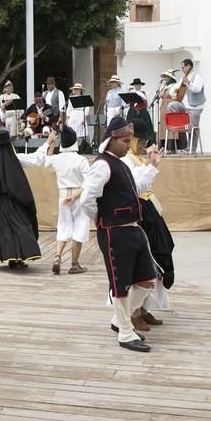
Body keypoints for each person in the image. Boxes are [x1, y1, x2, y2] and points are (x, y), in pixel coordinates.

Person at [80, 116, 164, 352]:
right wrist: (101, 220)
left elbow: (135, 190)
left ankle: (119, 321)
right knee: (120, 285)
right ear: (113, 139)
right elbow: (87, 198)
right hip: (114, 232)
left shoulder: (121, 164)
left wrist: (152, 166)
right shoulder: (102, 164)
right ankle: (125, 334)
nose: (130, 144)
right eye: (126, 140)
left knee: (148, 279)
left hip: (132, 229)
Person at [0, 128, 56, 269]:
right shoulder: (15, 158)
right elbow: (36, 159)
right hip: (15, 201)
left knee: (3, 230)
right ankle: (18, 258)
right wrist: (47, 143)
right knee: (20, 227)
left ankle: (11, 257)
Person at [122, 118, 174, 331]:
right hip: (141, 214)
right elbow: (134, 185)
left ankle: (143, 309)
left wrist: (150, 161)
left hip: (151, 211)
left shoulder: (136, 157)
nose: (143, 145)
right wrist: (149, 163)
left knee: (159, 255)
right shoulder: (126, 160)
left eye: (145, 141)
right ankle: (134, 313)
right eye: (140, 141)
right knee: (144, 262)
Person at [44, 126, 90, 275]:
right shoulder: (81, 160)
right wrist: (75, 196)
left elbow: (47, 161)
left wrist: (51, 142)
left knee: (63, 226)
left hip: (63, 197)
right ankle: (74, 264)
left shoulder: (58, 158)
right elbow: (89, 181)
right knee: (80, 227)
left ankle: (57, 257)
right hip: (78, 196)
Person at [170, 59, 205, 153]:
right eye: (181, 67)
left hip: (195, 106)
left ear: (189, 66)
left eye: (183, 67)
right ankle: (181, 123)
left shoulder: (197, 76)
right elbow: (174, 89)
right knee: (172, 105)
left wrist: (189, 83)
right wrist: (175, 90)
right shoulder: (184, 77)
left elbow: (197, 89)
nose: (182, 69)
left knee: (193, 128)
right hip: (185, 105)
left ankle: (191, 148)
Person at [155, 70, 186, 151]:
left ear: (171, 78)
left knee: (171, 125)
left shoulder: (174, 86)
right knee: (164, 126)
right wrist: (161, 86)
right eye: (165, 77)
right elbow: (160, 95)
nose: (165, 79)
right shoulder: (165, 87)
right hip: (164, 107)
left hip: (170, 106)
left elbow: (173, 95)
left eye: (167, 77)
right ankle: (164, 147)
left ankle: (172, 147)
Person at [126, 78, 155, 143]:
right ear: (134, 86)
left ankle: (145, 142)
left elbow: (149, 104)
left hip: (143, 112)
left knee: (145, 127)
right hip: (132, 112)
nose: (138, 86)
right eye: (136, 85)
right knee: (131, 126)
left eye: (139, 85)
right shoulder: (131, 93)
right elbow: (126, 104)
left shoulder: (145, 93)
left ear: (141, 85)